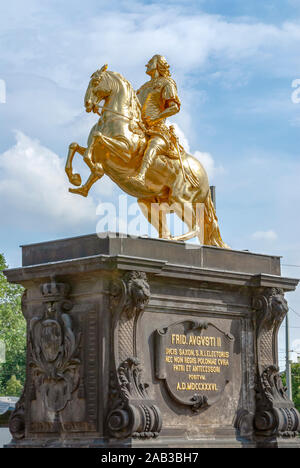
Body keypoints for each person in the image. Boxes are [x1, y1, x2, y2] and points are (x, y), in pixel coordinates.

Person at [132, 55, 181, 185]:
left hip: (157, 128)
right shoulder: (143, 87)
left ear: (159, 64)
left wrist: (156, 118)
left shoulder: (167, 82)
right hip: (139, 126)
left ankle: (141, 175)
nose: (146, 65)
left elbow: (174, 107)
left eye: (150, 62)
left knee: (152, 146)